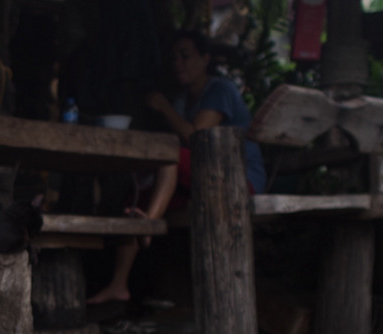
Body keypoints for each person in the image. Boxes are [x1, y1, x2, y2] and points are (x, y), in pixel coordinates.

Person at [87, 29, 265, 305]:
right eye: (174, 58)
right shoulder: (184, 100)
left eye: (186, 56)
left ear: (205, 59)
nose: (178, 63)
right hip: (204, 178)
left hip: (239, 180)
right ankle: (119, 284)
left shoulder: (220, 89)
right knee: (137, 201)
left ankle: (147, 228)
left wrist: (164, 107)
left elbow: (195, 136)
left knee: (169, 157)